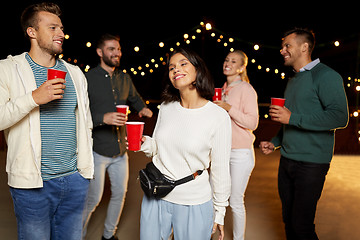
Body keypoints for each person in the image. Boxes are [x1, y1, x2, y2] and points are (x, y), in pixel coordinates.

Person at [0, 2, 94, 239]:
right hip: (33, 186)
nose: (61, 34)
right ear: (32, 32)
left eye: (61, 28)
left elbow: (86, 124)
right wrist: (33, 98)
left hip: (74, 181)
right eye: (52, 28)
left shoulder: (75, 73)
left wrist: (84, 173)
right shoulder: (7, 69)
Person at [260, 28, 349, 240]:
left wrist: (292, 118)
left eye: (287, 46)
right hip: (287, 161)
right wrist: (275, 142)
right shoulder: (293, 80)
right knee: (288, 221)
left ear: (304, 47)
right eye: (282, 46)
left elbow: (339, 117)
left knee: (301, 225)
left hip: (311, 164)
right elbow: (290, 121)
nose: (282, 50)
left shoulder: (326, 76)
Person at [138, 48, 232, 240]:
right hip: (156, 195)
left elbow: (221, 169)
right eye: (171, 67)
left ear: (198, 71)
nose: (175, 70)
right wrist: (144, 143)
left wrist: (220, 210)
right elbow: (157, 147)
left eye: (182, 64)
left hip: (193, 200)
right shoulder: (165, 108)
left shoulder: (218, 116)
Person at [83, 33, 153, 240]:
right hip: (98, 151)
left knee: (119, 196)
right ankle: (76, 235)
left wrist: (145, 109)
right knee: (93, 199)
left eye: (118, 49)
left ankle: (108, 234)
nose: (117, 53)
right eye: (111, 49)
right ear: (100, 52)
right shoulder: (88, 79)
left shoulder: (124, 78)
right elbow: (79, 112)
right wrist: (102, 117)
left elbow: (135, 99)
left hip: (121, 151)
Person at [214, 50, 258, 240]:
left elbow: (252, 123)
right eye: (226, 60)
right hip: (221, 151)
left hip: (241, 152)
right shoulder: (222, 89)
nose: (227, 63)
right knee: (215, 195)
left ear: (241, 68)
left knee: (235, 201)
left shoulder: (246, 89)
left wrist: (229, 108)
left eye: (233, 61)